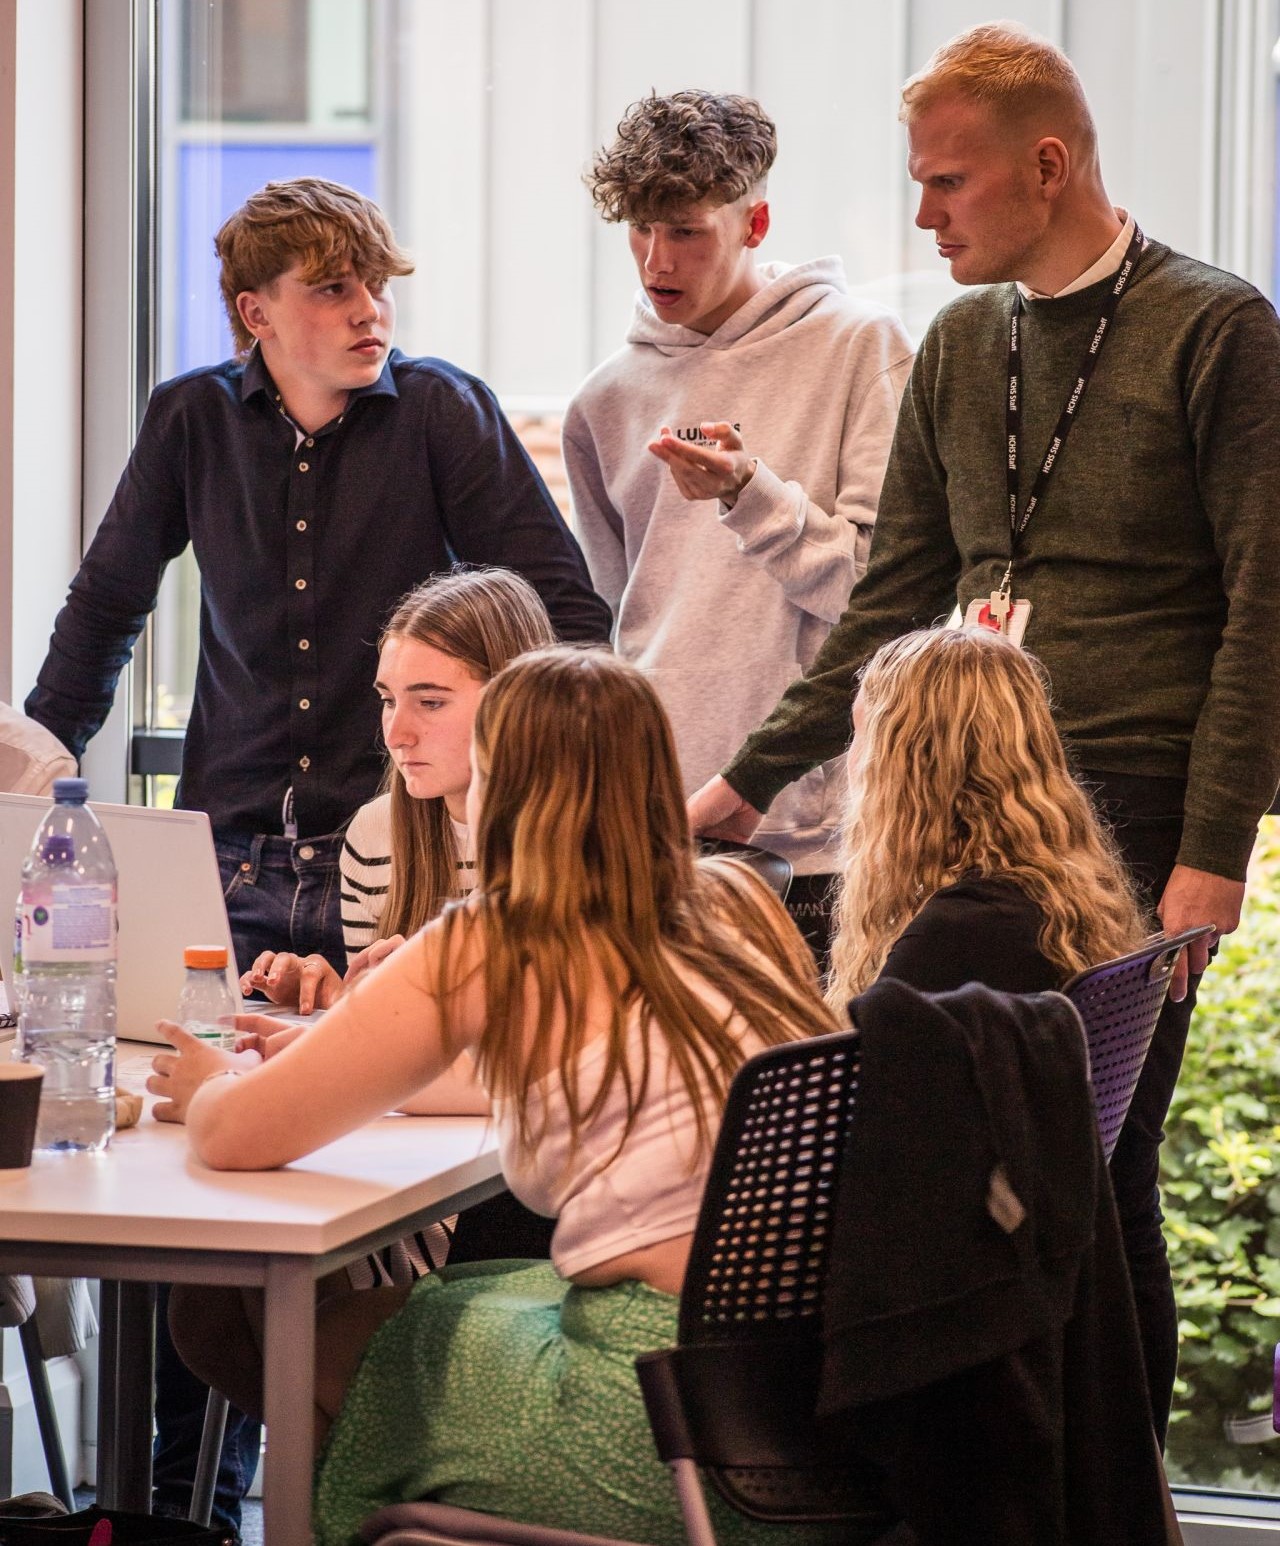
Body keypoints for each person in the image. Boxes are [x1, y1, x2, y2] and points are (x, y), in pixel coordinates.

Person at [688, 21, 1280, 1442]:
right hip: (947, 814)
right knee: (986, 1184)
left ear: (1049, 164)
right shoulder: (961, 343)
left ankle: (1112, 1488)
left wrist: (1215, 855)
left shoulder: (1217, 328)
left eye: (947, 182)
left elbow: (1266, 605)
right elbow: (896, 596)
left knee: (1101, 1169)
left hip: (1124, 812)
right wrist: (743, 784)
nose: (921, 212)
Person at [23, 177, 610, 1533]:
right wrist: (38, 759)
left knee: (319, 1190)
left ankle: (300, 1479)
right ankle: (176, 1503)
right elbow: (107, 608)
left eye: (378, 284)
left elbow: (561, 617)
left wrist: (519, 799)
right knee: (192, 1203)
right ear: (257, 313)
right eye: (336, 289)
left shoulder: (444, 412)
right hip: (222, 866)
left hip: (377, 866)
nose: (370, 312)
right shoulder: (187, 420)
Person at [148, 648, 842, 1546]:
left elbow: (236, 1137)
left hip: (650, 1424)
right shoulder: (731, 904)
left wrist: (214, 1081)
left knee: (257, 1328)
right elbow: (550, 1071)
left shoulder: (501, 933)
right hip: (804, 1407)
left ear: (500, 784)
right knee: (363, 1315)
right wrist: (328, 1054)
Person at [565, 90, 913, 966]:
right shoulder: (605, 401)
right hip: (656, 833)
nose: (656, 259)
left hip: (816, 842)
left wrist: (750, 495)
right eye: (640, 230)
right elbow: (620, 627)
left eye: (685, 231)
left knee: (804, 1095)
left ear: (755, 222)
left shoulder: (860, 347)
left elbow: (886, 597)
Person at [239, 566, 556, 1017]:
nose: (396, 734)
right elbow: (394, 1043)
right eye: (389, 700)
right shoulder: (375, 835)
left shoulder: (586, 837)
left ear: (517, 702)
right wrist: (340, 999)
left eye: (430, 702)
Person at [824, 627, 1147, 1007]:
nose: (851, 758)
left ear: (904, 766)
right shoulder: (1050, 896)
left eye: (860, 735)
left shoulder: (952, 935)